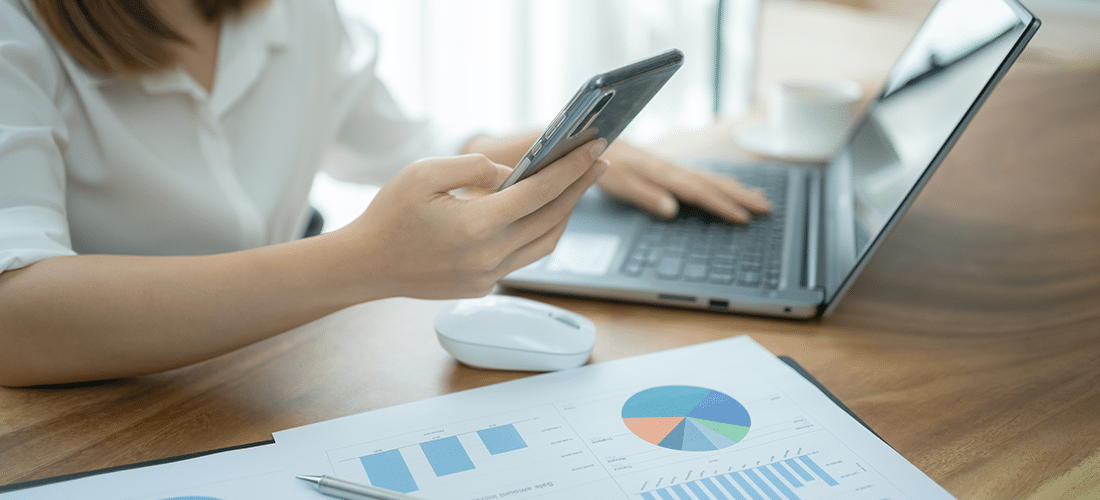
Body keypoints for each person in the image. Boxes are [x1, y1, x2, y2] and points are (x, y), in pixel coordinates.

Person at [0, 0, 771, 387]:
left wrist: (565, 141)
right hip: (98, 410)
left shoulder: (291, 12)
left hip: (268, 383)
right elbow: (17, 317)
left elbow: (390, 137)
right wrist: (363, 264)